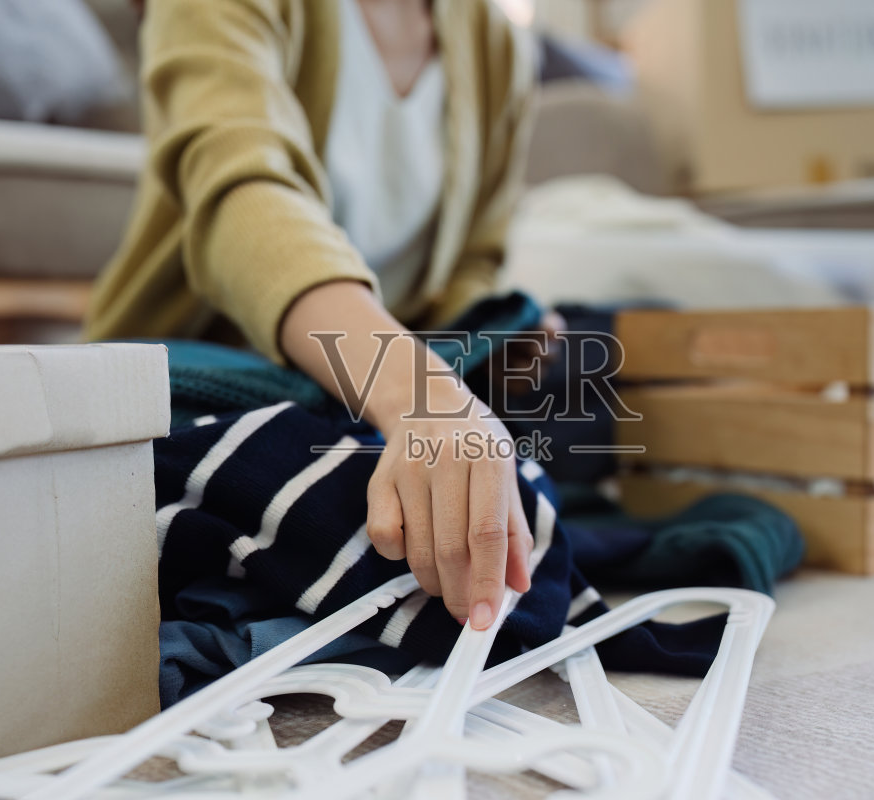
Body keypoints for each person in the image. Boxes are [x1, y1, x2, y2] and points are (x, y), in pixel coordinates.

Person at [85, 0, 560, 632]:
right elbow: (243, 194)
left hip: (357, 387)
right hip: (203, 376)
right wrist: (418, 393)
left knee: (513, 484)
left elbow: (470, 261)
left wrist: (489, 338)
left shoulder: (497, 45)